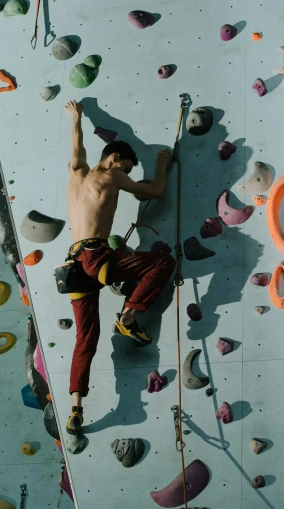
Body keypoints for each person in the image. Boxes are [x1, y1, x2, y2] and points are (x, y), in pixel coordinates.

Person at [63, 100, 176, 435]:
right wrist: (163, 164)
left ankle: (75, 409)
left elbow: (77, 145)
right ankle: (128, 317)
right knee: (164, 263)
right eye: (126, 167)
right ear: (114, 160)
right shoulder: (113, 175)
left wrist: (77, 118)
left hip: (72, 266)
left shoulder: (76, 172)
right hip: (97, 258)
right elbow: (153, 191)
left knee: (85, 339)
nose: (126, 173)